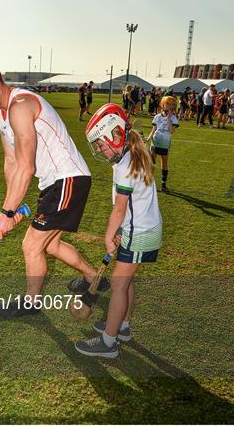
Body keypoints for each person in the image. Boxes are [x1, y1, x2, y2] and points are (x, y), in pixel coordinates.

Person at [0, 59, 108, 319]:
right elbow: (12, 162)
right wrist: (11, 208)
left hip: (68, 178)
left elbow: (26, 167)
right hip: (54, 182)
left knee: (31, 245)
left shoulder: (21, 105)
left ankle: (31, 303)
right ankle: (94, 278)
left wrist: (6, 213)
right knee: (50, 246)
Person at [75, 103, 162, 358]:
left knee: (118, 284)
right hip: (141, 228)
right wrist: (121, 230)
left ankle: (109, 342)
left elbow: (119, 210)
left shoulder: (125, 166)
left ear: (116, 134)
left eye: (101, 144)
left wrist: (108, 236)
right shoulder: (132, 154)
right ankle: (121, 326)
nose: (100, 150)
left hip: (140, 232)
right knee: (127, 281)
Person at [147, 96, 179, 192]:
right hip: (155, 142)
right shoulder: (157, 117)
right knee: (152, 162)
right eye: (168, 104)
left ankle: (163, 185)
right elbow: (154, 130)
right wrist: (148, 138)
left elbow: (171, 130)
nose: (170, 106)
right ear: (163, 105)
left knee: (164, 163)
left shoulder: (173, 118)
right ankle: (149, 183)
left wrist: (168, 118)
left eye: (172, 104)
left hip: (164, 144)